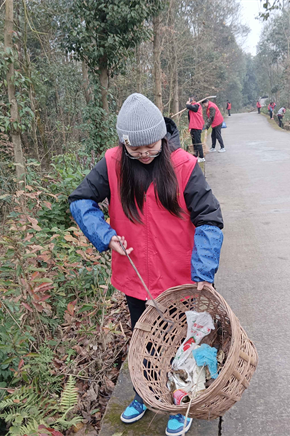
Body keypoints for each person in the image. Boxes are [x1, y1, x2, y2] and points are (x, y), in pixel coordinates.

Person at [68, 93, 223, 436]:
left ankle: (182, 400)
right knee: (146, 340)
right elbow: (80, 200)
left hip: (180, 280)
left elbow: (210, 220)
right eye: (134, 149)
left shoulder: (183, 165)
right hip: (136, 277)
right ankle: (145, 393)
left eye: (150, 146)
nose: (143, 154)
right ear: (123, 144)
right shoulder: (112, 163)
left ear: (163, 137)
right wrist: (105, 235)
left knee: (186, 342)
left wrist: (203, 273)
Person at [186, 97, 205, 163]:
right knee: (194, 142)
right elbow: (190, 119)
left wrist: (188, 103)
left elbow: (188, 106)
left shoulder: (197, 106)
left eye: (191, 100)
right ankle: (196, 155)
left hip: (197, 126)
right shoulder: (190, 109)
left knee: (198, 142)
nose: (190, 101)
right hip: (193, 127)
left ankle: (201, 157)